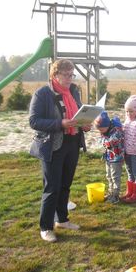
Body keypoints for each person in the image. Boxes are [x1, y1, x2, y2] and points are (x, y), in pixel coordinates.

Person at [29, 59, 91, 242]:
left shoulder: (73, 91)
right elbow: (34, 121)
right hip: (52, 146)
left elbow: (77, 113)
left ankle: (62, 219)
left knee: (65, 184)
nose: (70, 78)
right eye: (66, 74)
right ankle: (45, 227)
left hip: (72, 142)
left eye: (72, 74)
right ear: (55, 75)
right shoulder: (42, 93)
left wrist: (83, 124)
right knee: (52, 187)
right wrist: (59, 123)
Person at [94, 111, 125, 204]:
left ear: (107, 125)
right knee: (109, 176)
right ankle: (111, 192)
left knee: (115, 176)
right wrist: (103, 139)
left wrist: (105, 142)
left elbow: (111, 142)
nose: (100, 132)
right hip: (108, 157)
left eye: (102, 129)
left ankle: (115, 195)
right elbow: (102, 141)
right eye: (99, 130)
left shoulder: (117, 131)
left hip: (116, 157)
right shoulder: (104, 131)